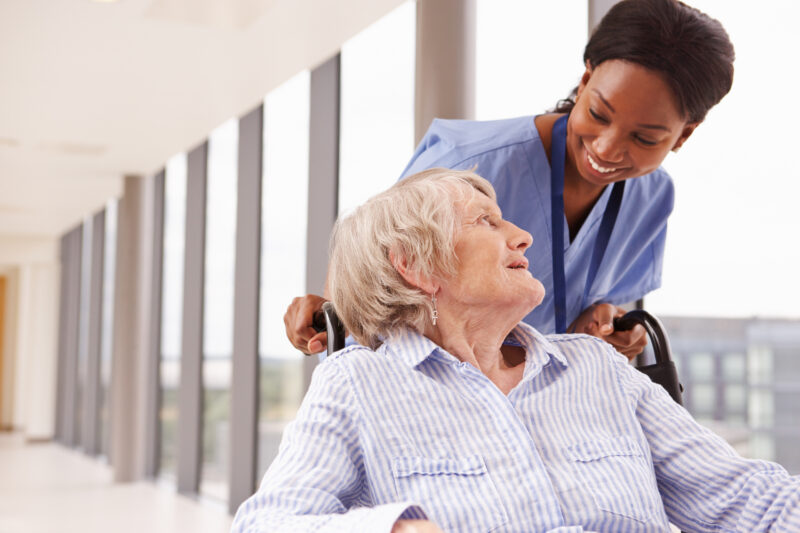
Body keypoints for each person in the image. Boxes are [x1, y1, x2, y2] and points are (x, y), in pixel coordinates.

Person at [234, 169, 800, 532]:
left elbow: (748, 501)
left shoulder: (595, 366)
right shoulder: (359, 384)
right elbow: (268, 524)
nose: (522, 236)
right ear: (417, 265)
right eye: (486, 222)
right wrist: (396, 529)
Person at [283, 0, 735, 360]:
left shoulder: (652, 198)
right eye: (598, 114)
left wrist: (605, 322)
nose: (607, 149)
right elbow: (368, 290)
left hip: (547, 412)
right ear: (585, 78)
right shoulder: (469, 162)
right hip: (435, 405)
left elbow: (611, 302)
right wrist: (328, 315)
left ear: (684, 134)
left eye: (644, 137)